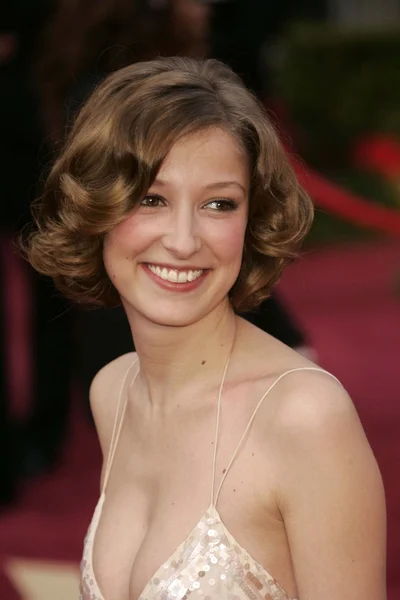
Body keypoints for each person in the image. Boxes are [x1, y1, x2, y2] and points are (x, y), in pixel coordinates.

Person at [24, 57, 386, 600]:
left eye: (219, 203)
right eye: (152, 200)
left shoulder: (304, 416)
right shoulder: (114, 391)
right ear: (94, 207)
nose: (185, 240)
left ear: (252, 219)